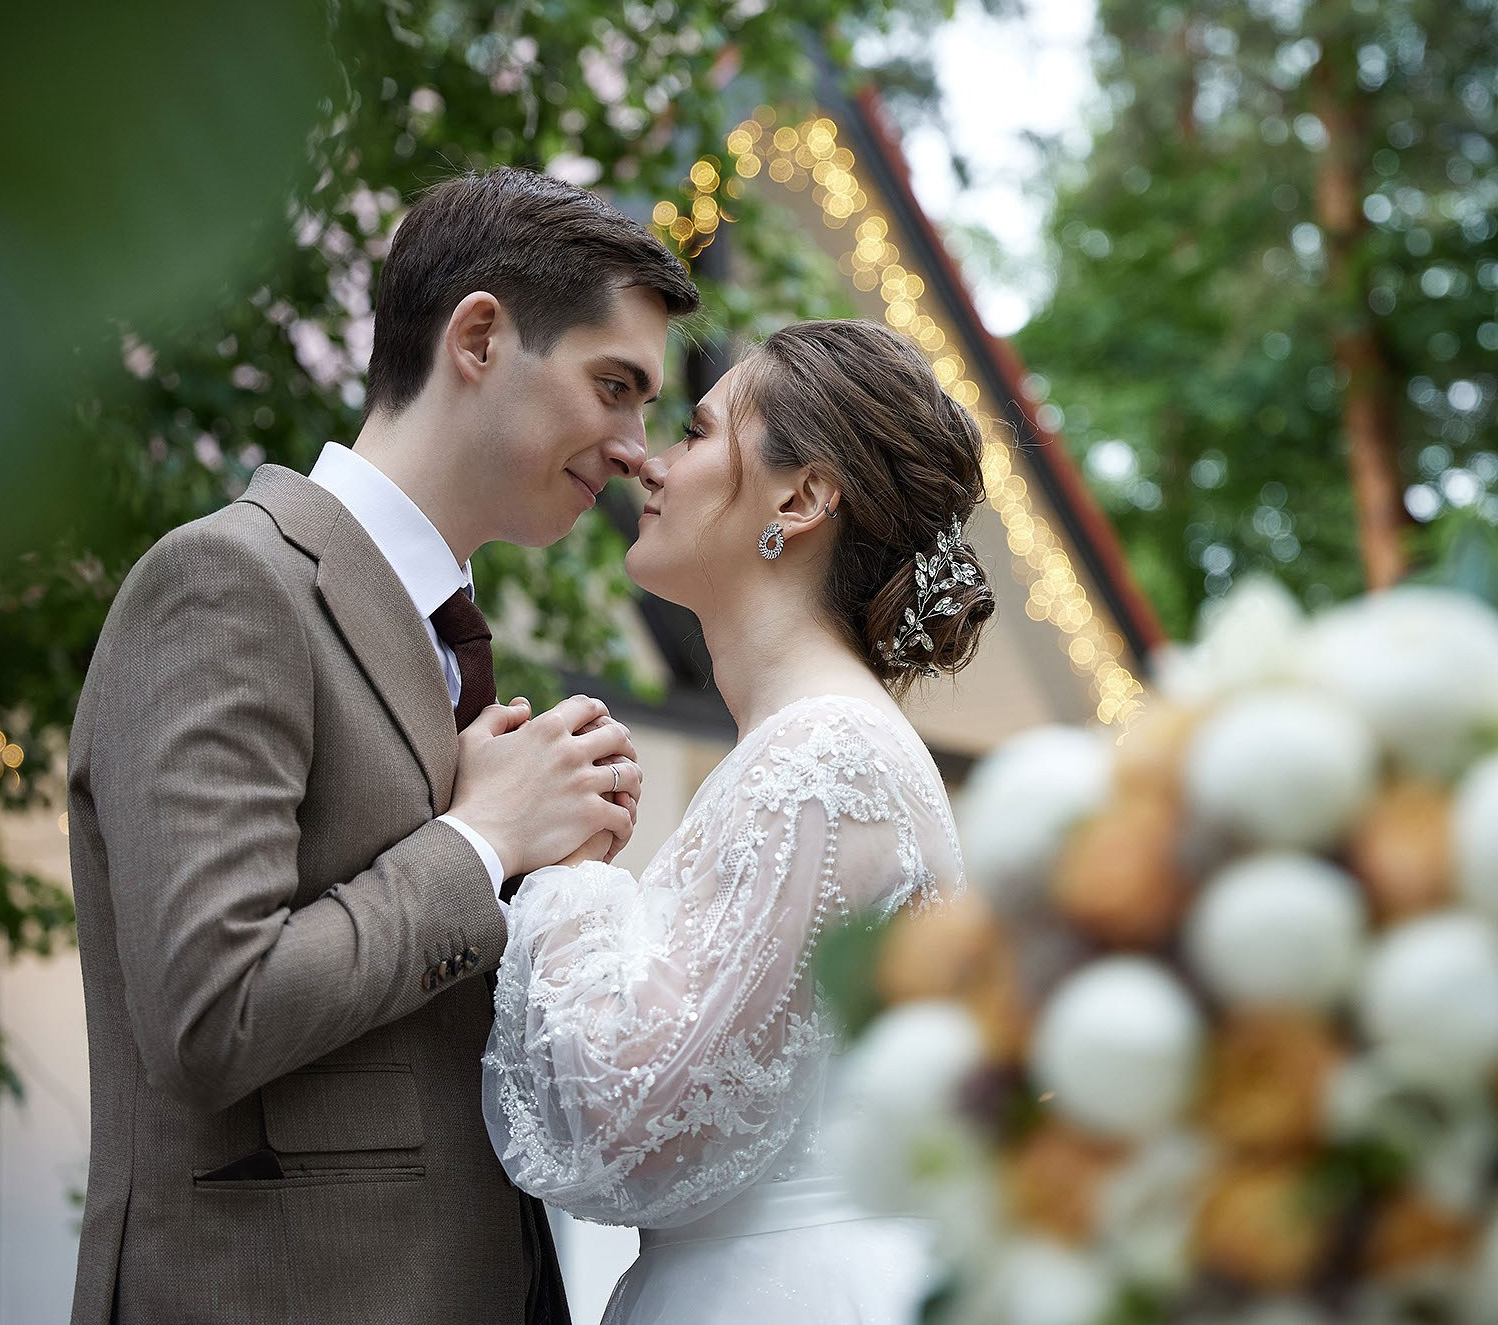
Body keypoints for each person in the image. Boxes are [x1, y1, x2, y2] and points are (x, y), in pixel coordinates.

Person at [66, 169, 697, 1325]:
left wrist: (548, 876)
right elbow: (214, 1013)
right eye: (615, 386)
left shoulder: (444, 641)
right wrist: (479, 839)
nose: (636, 449)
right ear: (477, 337)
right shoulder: (226, 584)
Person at [482, 318, 996, 1323]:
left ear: (799, 498)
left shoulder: (826, 758)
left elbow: (629, 1121)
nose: (645, 459)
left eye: (696, 431)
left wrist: (564, 866)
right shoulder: (805, 747)